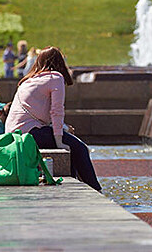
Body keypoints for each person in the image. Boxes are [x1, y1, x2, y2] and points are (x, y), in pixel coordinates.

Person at [5, 47, 102, 192]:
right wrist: (59, 142)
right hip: (30, 134)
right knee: (80, 148)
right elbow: (56, 112)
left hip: (14, 133)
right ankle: (96, 190)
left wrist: (63, 128)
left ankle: (79, 185)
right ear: (60, 62)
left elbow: (40, 114)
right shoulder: (55, 77)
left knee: (71, 146)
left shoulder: (28, 80)